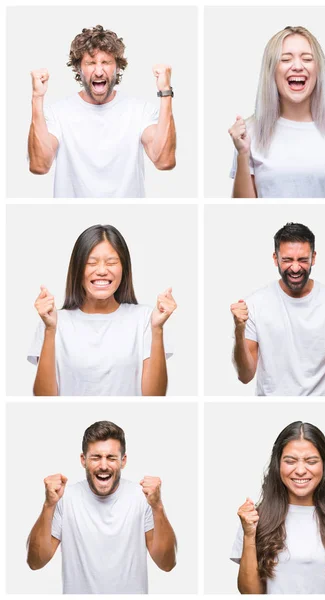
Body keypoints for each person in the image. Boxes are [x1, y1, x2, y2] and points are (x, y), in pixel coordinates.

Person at [26, 421, 177, 593]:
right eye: (96, 457)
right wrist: (48, 505)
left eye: (111, 458)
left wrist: (157, 506)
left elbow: (167, 564)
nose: (104, 465)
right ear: (83, 460)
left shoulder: (142, 498)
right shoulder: (65, 499)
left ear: (123, 461)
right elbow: (35, 562)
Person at [28, 224, 176, 396]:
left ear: (124, 268)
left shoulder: (145, 319)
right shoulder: (53, 321)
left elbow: (154, 396)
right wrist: (50, 329)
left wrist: (157, 329)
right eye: (91, 263)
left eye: (111, 262)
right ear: (77, 269)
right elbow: (44, 398)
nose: (102, 271)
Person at [28, 25, 176, 197]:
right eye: (91, 63)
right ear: (78, 68)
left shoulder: (139, 110)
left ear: (118, 67)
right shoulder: (57, 113)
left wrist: (165, 92)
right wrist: (37, 97)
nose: (99, 71)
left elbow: (164, 161)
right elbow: (39, 165)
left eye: (106, 62)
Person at [228, 26, 325, 198]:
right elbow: (245, 210)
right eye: (286, 59)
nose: (297, 66)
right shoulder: (249, 132)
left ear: (318, 70)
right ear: (271, 70)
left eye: (307, 59)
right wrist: (242, 154)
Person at [230, 222, 325, 395]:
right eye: (287, 260)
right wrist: (239, 330)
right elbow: (245, 376)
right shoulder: (254, 304)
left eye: (302, 260)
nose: (295, 268)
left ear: (314, 258)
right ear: (275, 259)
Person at [231, 421, 325, 593]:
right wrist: (249, 534)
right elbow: (249, 593)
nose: (301, 470)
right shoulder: (255, 517)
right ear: (278, 464)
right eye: (290, 461)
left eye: (311, 461)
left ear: (324, 465)